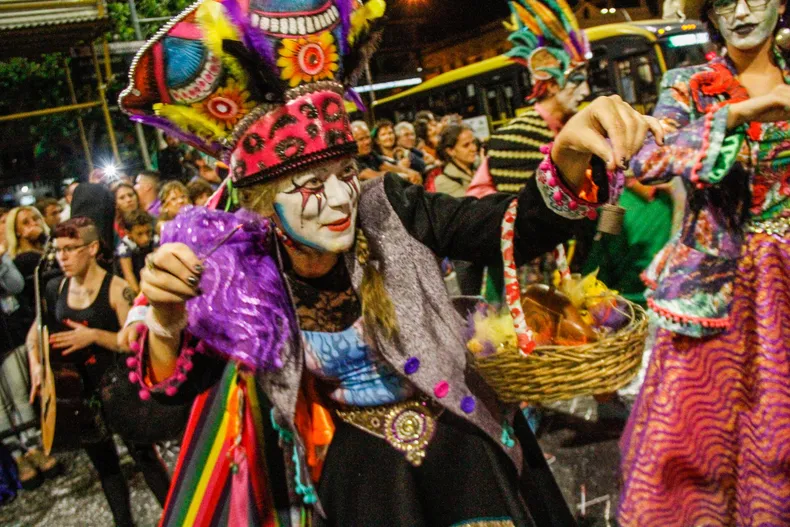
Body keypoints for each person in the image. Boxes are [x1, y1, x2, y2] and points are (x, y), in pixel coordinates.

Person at [116, 0, 662, 524]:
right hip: (359, 469)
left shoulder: (390, 207)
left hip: (460, 434)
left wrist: (567, 157)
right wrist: (166, 321)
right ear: (263, 204)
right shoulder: (240, 269)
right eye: (308, 186)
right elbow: (169, 402)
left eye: (345, 175)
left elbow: (510, 229)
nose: (337, 202)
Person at [618, 0, 790, 524]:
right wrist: (736, 114)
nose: (739, 11)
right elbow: (647, 159)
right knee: (700, 447)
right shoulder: (689, 82)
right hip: (719, 288)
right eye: (722, 1)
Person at [26, 217, 170, 527]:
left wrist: (93, 336)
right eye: (58, 250)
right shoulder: (55, 287)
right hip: (81, 395)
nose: (62, 257)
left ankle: (180, 518)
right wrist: (37, 364)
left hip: (121, 389)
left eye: (70, 249)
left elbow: (134, 342)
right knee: (105, 467)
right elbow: (34, 331)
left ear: (92, 248)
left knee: (146, 459)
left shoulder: (117, 289)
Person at [467, 0, 591, 198]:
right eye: (577, 82)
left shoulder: (577, 126)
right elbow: (483, 201)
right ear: (551, 86)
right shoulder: (510, 139)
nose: (585, 92)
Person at [0, 236, 60, 490]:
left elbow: (15, 286)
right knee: (0, 407)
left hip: (7, 337)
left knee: (21, 393)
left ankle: (35, 447)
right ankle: (18, 457)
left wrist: (1, 260)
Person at [352, 120, 421, 183]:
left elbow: (387, 166)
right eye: (361, 139)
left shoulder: (371, 154)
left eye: (367, 137)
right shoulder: (352, 160)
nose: (367, 142)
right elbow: (374, 175)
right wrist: (406, 176)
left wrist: (410, 172)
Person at [115, 210, 155, 295]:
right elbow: (128, 274)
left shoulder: (154, 239)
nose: (146, 238)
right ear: (128, 234)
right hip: (132, 288)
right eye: (139, 234)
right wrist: (141, 296)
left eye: (148, 232)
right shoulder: (124, 248)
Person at [372, 119, 423, 184]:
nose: (388, 137)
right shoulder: (378, 159)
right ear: (377, 140)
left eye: (390, 133)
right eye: (383, 135)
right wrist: (401, 168)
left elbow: (422, 165)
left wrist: (406, 153)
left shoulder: (401, 150)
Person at [434, 124, 479, 197]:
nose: (474, 148)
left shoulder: (480, 166)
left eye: (473, 142)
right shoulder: (444, 181)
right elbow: (472, 205)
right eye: (466, 145)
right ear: (451, 151)